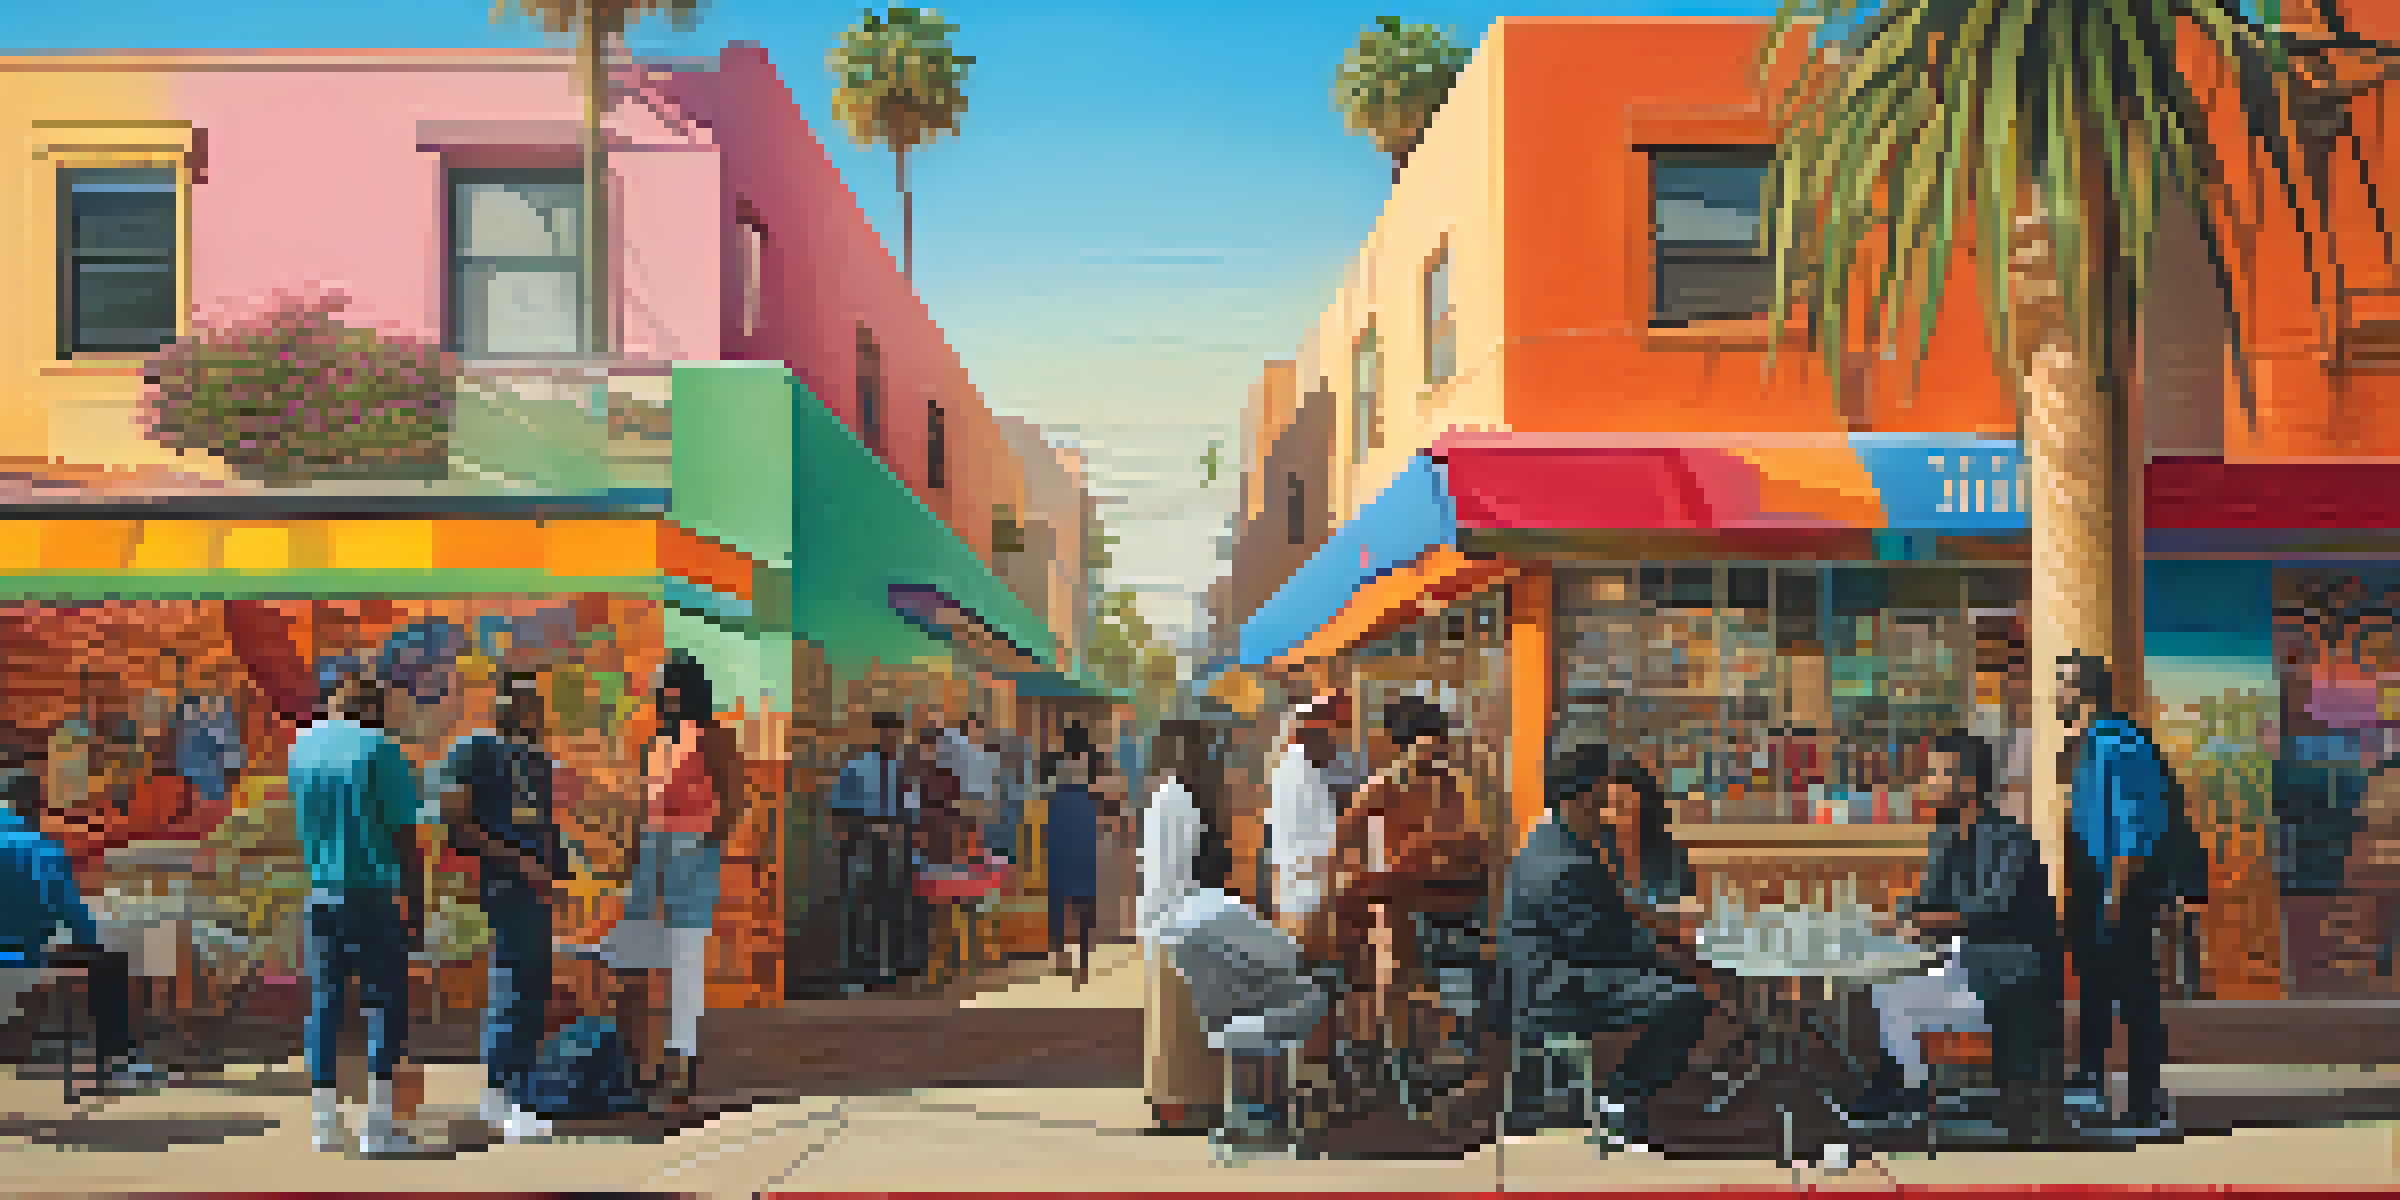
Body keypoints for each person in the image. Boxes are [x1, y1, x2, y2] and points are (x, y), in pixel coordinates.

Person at [1849, 732, 2067, 1140]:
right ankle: (1906, 1088)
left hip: (2008, 978)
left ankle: (1907, 1092)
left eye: (1935, 774)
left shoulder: (2012, 840)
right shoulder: (1947, 834)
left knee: (1893, 992)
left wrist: (1918, 920)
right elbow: (1928, 899)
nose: (1926, 783)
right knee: (1886, 985)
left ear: (1966, 782)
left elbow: (1990, 908)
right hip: (1967, 967)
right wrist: (1894, 915)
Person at [1500, 742, 1710, 1152]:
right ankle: (1619, 1100)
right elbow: (1603, 944)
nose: (1607, 809)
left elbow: (1607, 929)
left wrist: (1664, 948)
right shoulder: (1565, 863)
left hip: (1550, 976)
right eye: (1602, 798)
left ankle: (1620, 1098)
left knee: (1676, 984)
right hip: (1555, 990)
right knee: (1683, 1001)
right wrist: (1674, 954)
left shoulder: (1551, 840)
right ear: (1582, 797)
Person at [287, 666, 429, 1156]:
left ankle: (324, 1123)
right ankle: (379, 1126)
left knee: (325, 1006)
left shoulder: (302, 748)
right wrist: (418, 908)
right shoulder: (381, 750)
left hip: (321, 895)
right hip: (372, 896)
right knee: (384, 1006)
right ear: (372, 706)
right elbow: (406, 840)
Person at [1327, 695, 1492, 1107]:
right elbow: (1343, 837)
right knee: (1397, 975)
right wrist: (1362, 876)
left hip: (1446, 898)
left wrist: (1448, 848)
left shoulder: (1450, 785)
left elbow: (1473, 841)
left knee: (1454, 975)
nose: (1436, 754)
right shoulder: (1387, 785)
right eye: (1427, 745)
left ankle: (1441, 1060)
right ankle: (1401, 1067)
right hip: (1399, 899)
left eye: (1440, 745)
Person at [436, 671, 567, 1143]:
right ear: (501, 703)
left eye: (536, 699)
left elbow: (544, 825)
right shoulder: (473, 750)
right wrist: (519, 863)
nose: (530, 708)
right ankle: (506, 1098)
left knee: (532, 988)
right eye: (520, 697)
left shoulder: (539, 760)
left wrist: (555, 873)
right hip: (500, 884)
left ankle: (512, 1096)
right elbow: (456, 823)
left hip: (535, 888)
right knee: (513, 987)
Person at [607, 651, 741, 1109]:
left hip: (690, 849)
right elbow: (645, 803)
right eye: (661, 688)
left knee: (685, 956)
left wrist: (705, 842)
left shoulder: (712, 735)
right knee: (635, 955)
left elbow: (733, 797)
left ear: (690, 689)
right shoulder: (658, 741)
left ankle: (681, 1059)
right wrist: (633, 853)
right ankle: (635, 1064)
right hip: (651, 850)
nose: (664, 695)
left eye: (672, 686)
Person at [2059, 652, 2176, 1132]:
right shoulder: (2090, 744)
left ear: (2084, 691)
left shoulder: (2119, 745)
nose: (2056, 694)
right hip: (2095, 886)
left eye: (2063, 683)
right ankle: (2091, 1084)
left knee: (2134, 995)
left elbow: (2132, 832)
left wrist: (2114, 897)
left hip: (2119, 887)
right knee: (2096, 987)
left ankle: (2147, 1103)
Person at [0, 746, 153, 1091]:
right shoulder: (41, 851)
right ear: (38, 806)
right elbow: (75, 919)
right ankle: (121, 1060)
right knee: (109, 962)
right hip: (21, 955)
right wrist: (93, 940)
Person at [1139, 724, 1227, 1134]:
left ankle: (1183, 1105)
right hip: (1181, 922)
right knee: (1179, 1025)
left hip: (1179, 921)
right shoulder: (1180, 800)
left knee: (1181, 1025)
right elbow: (1178, 871)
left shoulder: (1176, 797)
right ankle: (1180, 1106)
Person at [831, 712, 911, 988]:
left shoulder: (902, 771)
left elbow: (909, 810)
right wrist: (866, 831)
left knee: (888, 906)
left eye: (895, 734)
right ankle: (854, 971)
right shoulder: (856, 768)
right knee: (856, 906)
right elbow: (839, 811)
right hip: (861, 843)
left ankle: (884, 967)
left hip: (892, 845)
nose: (891, 739)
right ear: (876, 734)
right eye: (885, 732)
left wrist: (899, 831)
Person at [1043, 722, 1111, 988]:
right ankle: (1082, 964)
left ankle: (1060, 954)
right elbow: (1103, 795)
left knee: (1058, 892)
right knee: (1085, 897)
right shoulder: (1094, 762)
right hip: (1083, 824)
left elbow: (1043, 791)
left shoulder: (1053, 761)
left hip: (1060, 822)